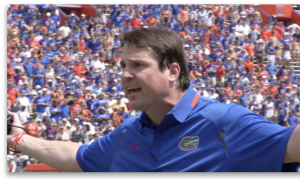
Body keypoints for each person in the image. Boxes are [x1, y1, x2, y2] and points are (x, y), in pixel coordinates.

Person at [7, 27, 300, 172]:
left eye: (137, 65)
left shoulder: (225, 124)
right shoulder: (127, 134)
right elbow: (78, 156)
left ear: (172, 71)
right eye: (122, 66)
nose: (124, 75)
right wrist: (19, 140)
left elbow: (291, 145)